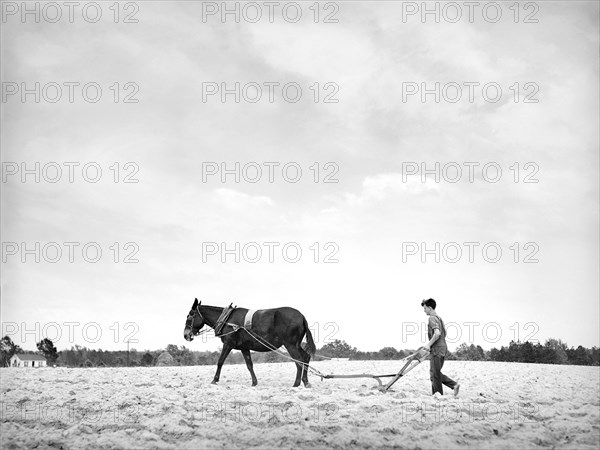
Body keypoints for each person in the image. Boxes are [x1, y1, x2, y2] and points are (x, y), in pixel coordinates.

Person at [421, 298, 460, 396]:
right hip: (443, 347)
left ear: (430, 308)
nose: (424, 310)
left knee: (435, 374)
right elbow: (444, 333)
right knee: (434, 373)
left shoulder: (432, 318)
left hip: (437, 349)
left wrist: (428, 345)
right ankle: (447, 388)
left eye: (425, 308)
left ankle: (439, 394)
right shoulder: (440, 318)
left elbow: (437, 333)